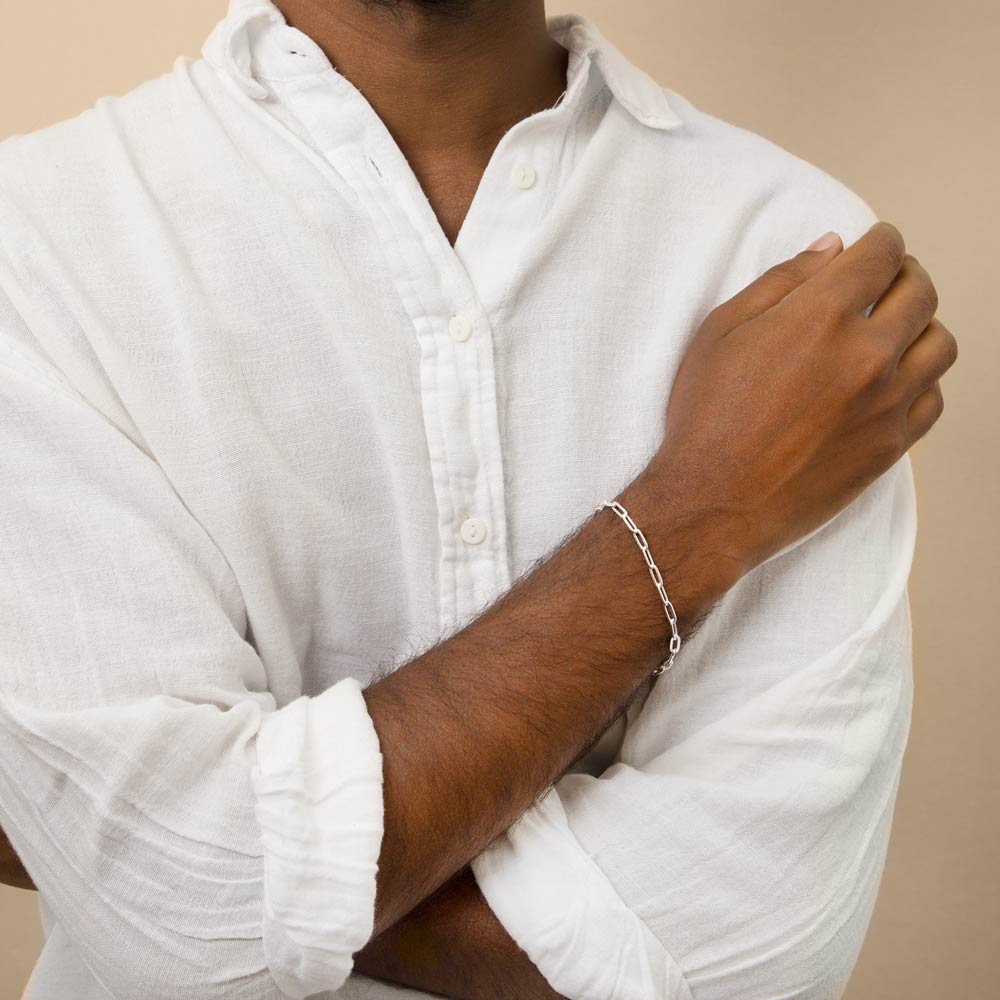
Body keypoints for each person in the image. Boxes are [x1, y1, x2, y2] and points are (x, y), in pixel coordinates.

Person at [0, 0, 956, 998]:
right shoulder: (33, 241)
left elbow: (764, 943)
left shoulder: (792, 257)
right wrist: (696, 510)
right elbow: (173, 904)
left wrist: (228, 874)